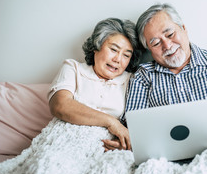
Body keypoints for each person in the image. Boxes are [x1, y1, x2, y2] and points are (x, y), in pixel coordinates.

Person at [103, 3, 207, 150]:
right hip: (166, 155)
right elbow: (136, 126)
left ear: (184, 28)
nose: (167, 45)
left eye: (170, 34)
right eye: (156, 43)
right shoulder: (143, 76)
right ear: (149, 50)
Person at [48, 18, 141, 151]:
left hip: (105, 149)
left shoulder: (132, 80)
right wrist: (111, 122)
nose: (118, 59)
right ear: (96, 47)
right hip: (62, 141)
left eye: (126, 55)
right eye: (114, 50)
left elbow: (136, 128)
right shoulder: (73, 68)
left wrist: (124, 143)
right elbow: (59, 106)